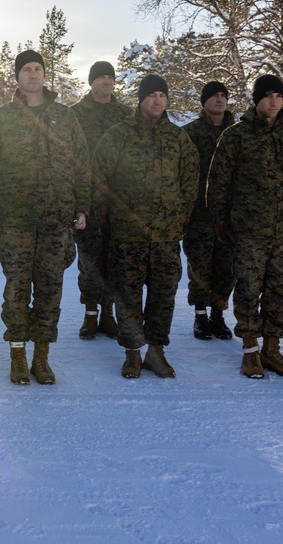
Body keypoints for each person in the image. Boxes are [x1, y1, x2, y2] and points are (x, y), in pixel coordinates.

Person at [0, 49, 90, 385]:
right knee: (16, 290)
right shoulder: (1, 118)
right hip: (16, 221)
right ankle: (17, 354)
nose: (33, 74)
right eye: (26, 69)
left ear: (44, 74)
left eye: (38, 68)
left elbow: (82, 164)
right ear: (17, 76)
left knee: (50, 291)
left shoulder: (64, 116)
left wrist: (82, 206)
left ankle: (42, 357)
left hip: (57, 221)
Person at [92, 75, 198, 378]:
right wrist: (103, 217)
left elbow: (189, 180)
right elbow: (99, 178)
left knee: (163, 295)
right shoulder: (118, 135)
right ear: (140, 99)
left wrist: (181, 216)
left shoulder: (177, 138)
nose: (157, 101)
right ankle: (132, 353)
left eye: (162, 95)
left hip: (165, 235)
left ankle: (155, 351)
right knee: (128, 294)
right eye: (151, 95)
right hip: (127, 234)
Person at [207, 74, 283, 379]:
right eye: (268, 96)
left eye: (278, 96)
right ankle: (250, 350)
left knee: (279, 291)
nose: (274, 101)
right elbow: (218, 184)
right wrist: (220, 221)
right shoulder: (236, 136)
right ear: (257, 100)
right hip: (250, 230)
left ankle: (272, 349)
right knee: (249, 290)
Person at [69, 61, 133, 340]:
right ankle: (90, 314)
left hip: (117, 202)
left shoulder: (126, 115)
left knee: (114, 260)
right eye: (101, 77)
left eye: (110, 77)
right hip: (85, 200)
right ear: (91, 81)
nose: (107, 81)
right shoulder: (74, 115)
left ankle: (108, 315)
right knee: (89, 261)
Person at [182, 81, 237, 341]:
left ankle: (218, 313)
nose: (219, 100)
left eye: (223, 95)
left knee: (226, 268)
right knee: (200, 266)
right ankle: (201, 314)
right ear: (204, 101)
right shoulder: (189, 133)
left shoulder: (239, 132)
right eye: (213, 95)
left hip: (230, 214)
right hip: (199, 214)